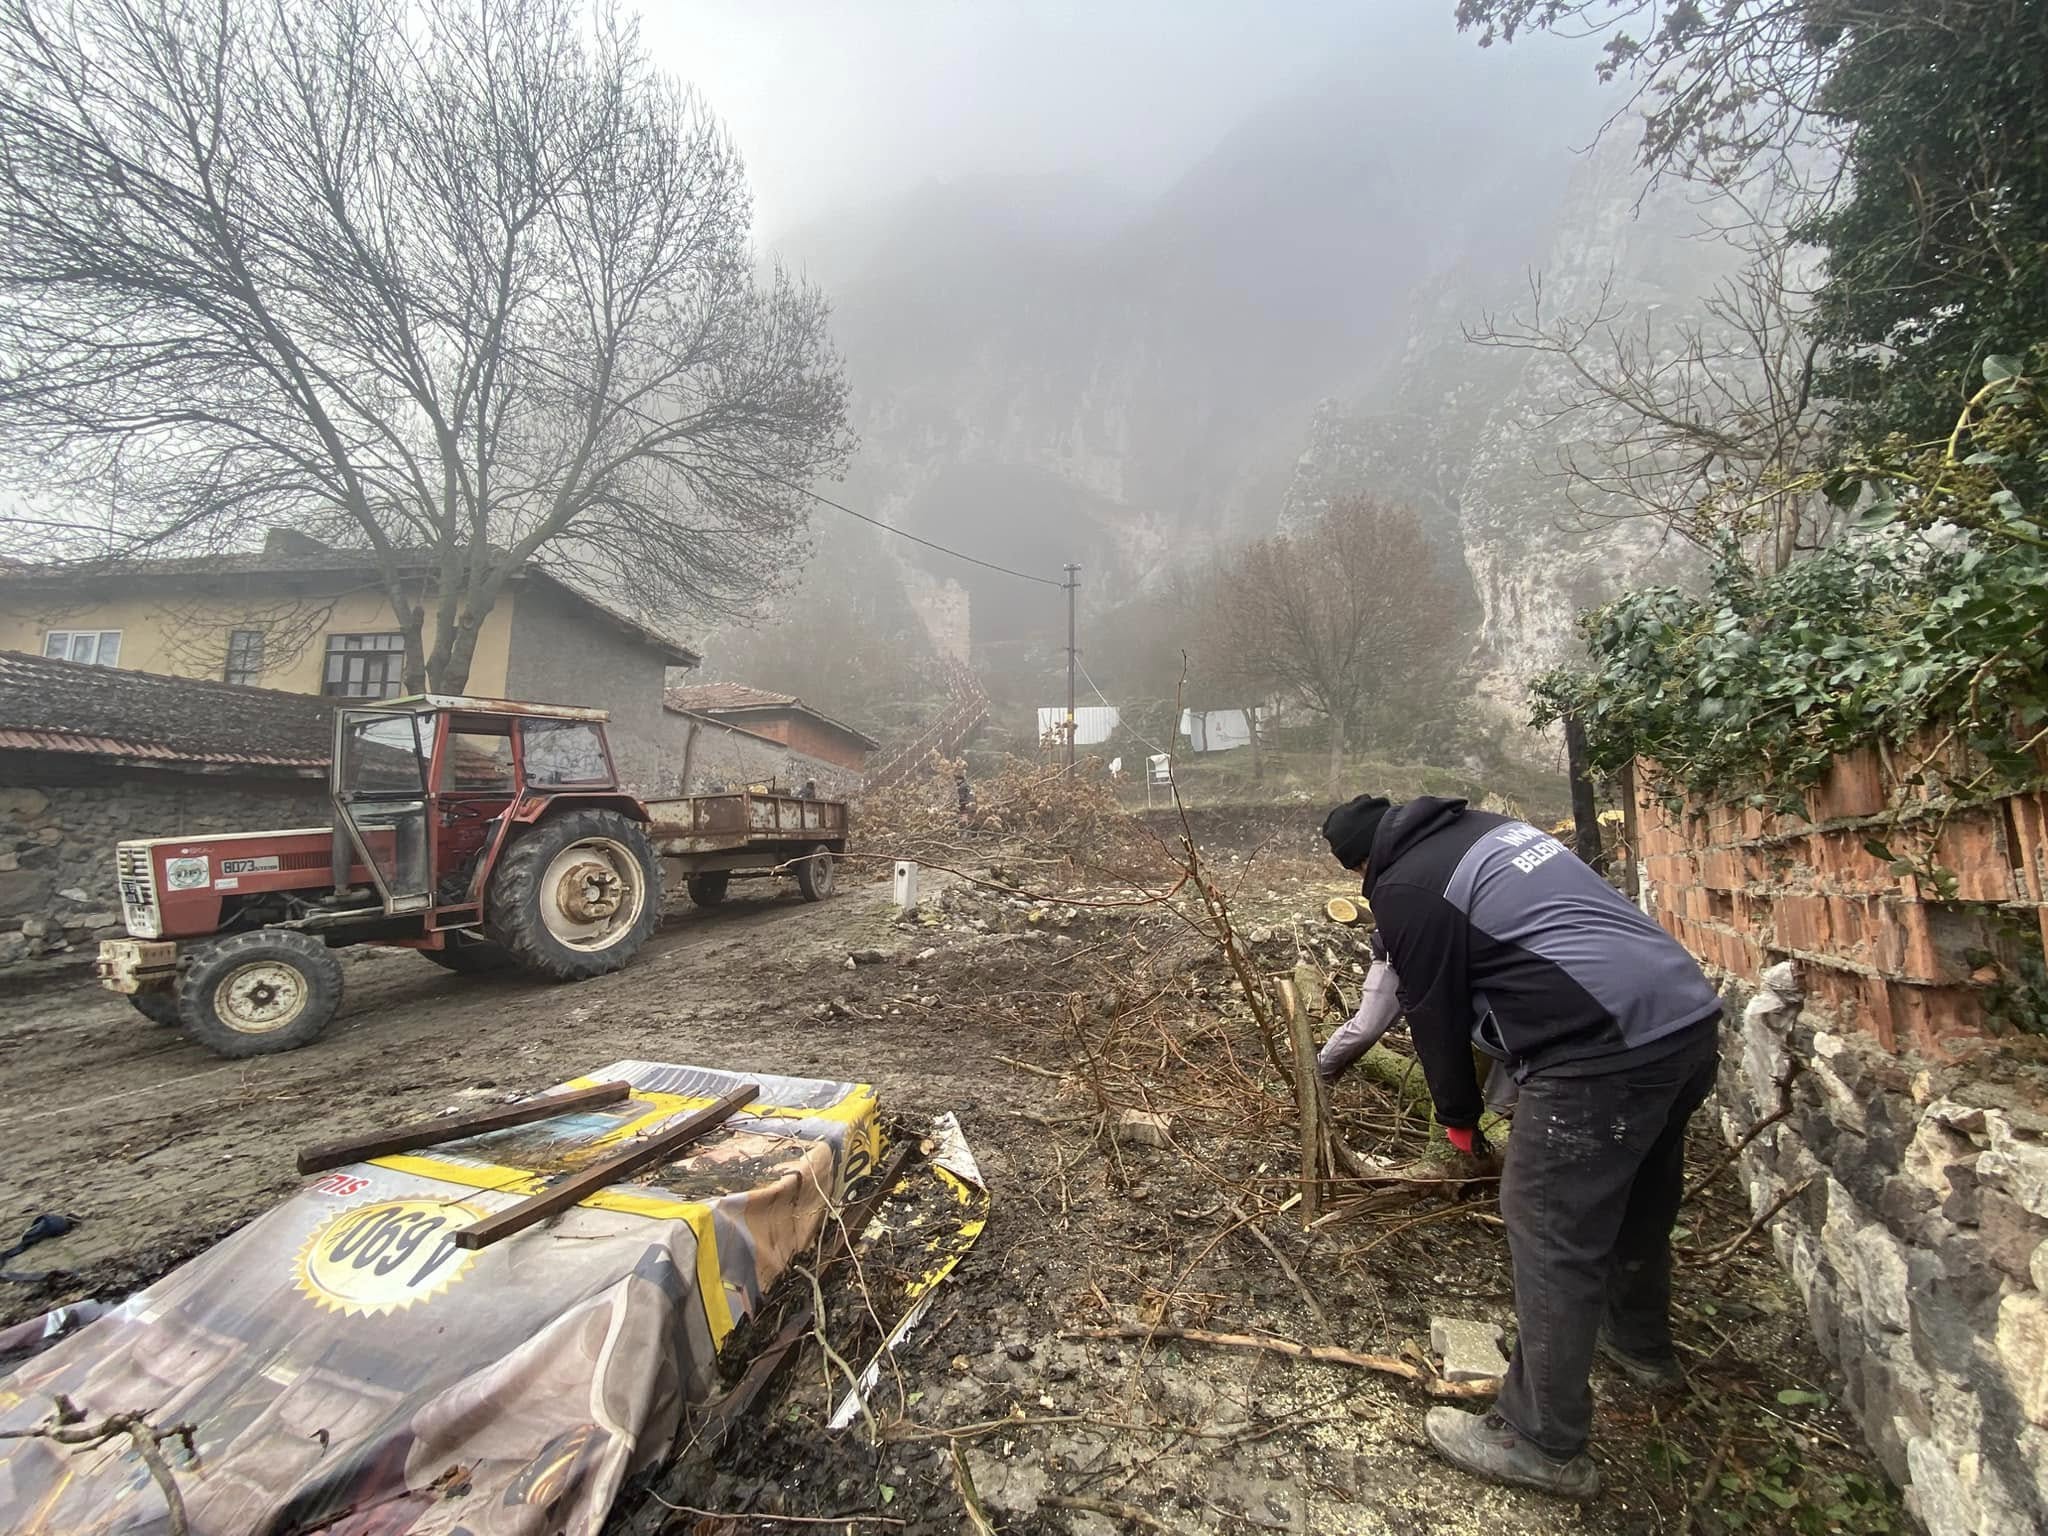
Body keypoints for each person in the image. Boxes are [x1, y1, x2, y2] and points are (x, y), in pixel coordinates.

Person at [1318, 792, 1722, 1500]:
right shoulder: (1491, 831)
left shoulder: (1406, 886)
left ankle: (1540, 1439)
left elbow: (1433, 1015)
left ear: (1361, 863)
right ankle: (1641, 1347)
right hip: (1685, 1016)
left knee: (1547, 1225)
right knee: (1639, 1196)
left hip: (1600, 1053)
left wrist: (1458, 1118)